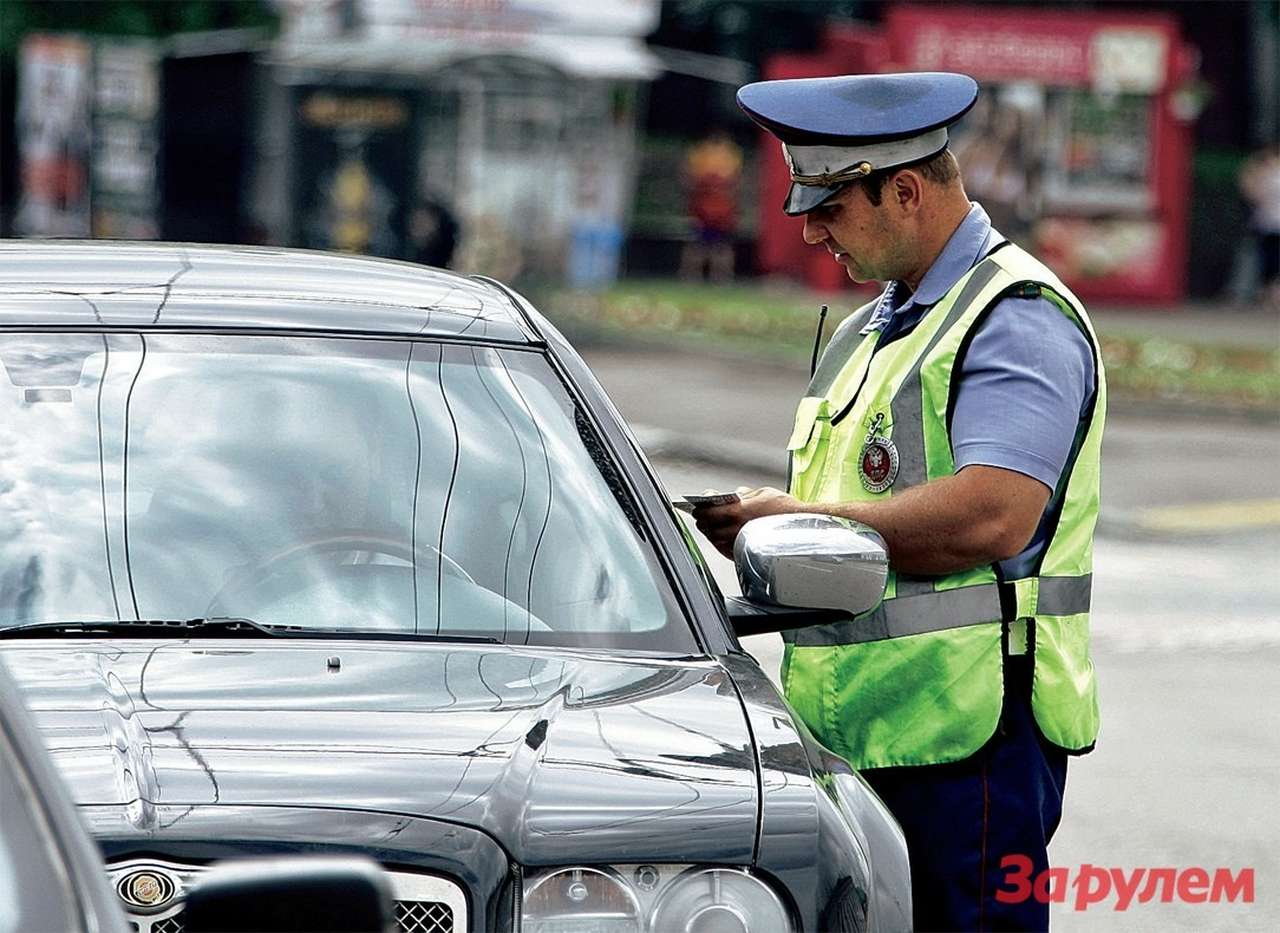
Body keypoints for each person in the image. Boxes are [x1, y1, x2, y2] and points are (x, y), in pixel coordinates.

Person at [694, 73, 1106, 931]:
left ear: (905, 190)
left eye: (830, 207)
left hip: (970, 753)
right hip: (860, 742)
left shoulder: (1012, 317)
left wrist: (792, 521)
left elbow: (994, 515)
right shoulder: (874, 326)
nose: (808, 229)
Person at [679, 130, 742, 282]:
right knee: (698, 244)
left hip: (722, 208)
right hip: (703, 207)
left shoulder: (730, 154)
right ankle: (691, 276)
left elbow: (736, 183)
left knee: (721, 245)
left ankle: (721, 277)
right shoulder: (701, 153)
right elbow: (688, 177)